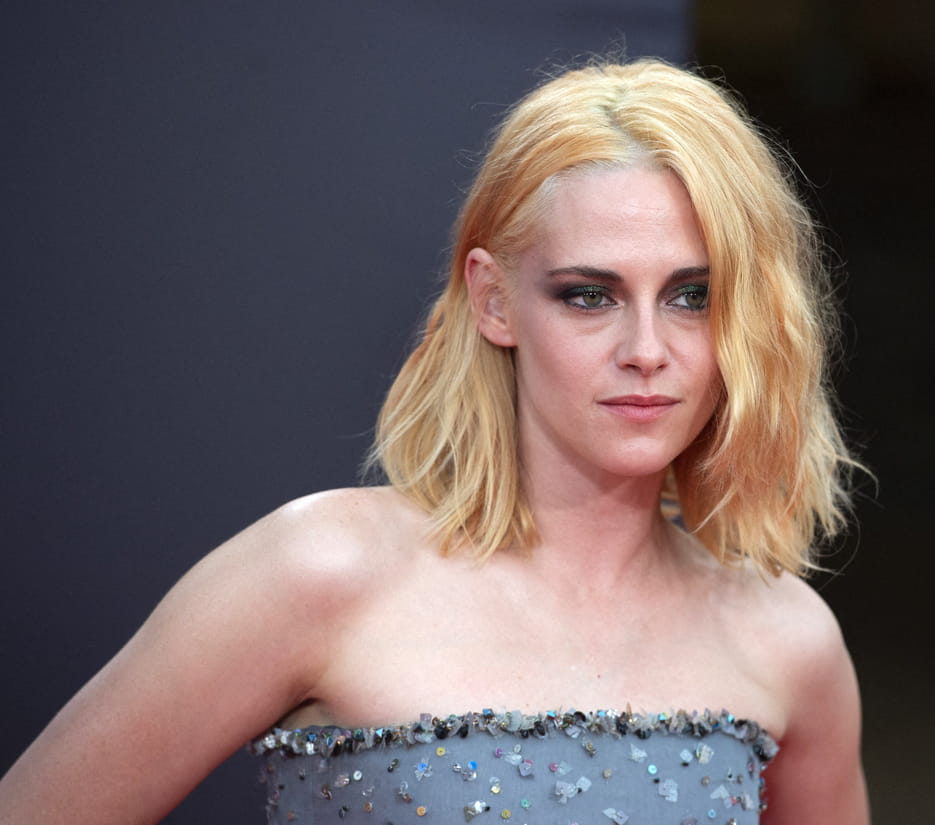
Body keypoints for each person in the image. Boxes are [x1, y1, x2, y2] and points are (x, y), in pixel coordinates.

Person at [0, 59, 868, 824]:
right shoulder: (319, 572)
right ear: (493, 301)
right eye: (588, 295)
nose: (646, 349)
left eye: (691, 296)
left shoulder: (785, 640)